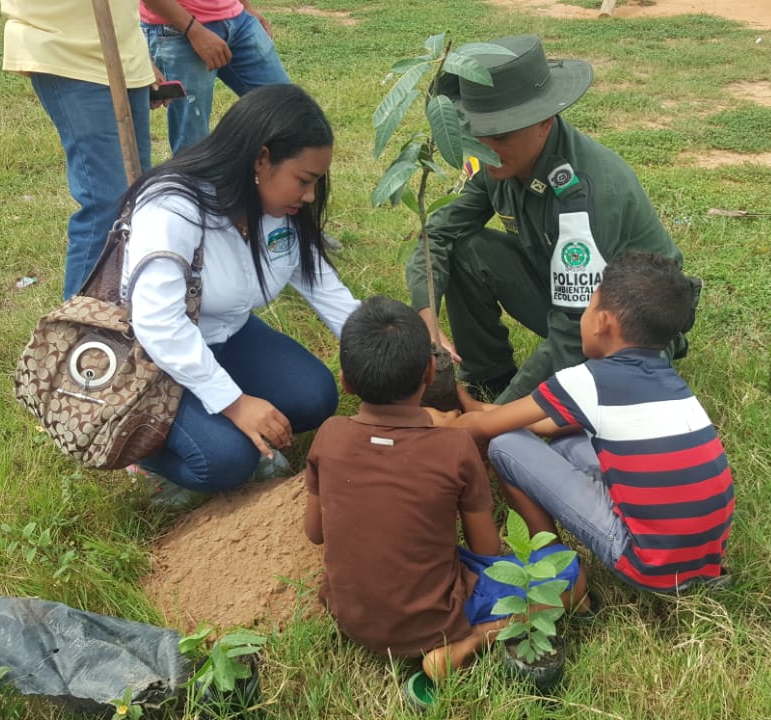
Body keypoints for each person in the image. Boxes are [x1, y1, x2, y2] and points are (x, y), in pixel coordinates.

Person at [303, 295, 584, 690]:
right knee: (569, 573)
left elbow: (315, 533)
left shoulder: (328, 436)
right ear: (431, 372)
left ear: (345, 381)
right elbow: (486, 550)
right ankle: (471, 641)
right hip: (435, 621)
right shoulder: (453, 449)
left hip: (351, 617)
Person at [407, 35, 697, 404]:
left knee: (595, 398)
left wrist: (494, 419)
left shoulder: (584, 192)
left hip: (627, 328)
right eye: (475, 132)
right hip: (568, 296)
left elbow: (576, 329)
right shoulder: (499, 160)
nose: (485, 147)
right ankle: (489, 376)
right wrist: (427, 318)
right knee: (468, 248)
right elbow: (439, 235)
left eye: (501, 134)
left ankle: (499, 401)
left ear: (543, 122)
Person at [119, 84, 358, 502]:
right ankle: (143, 448)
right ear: (261, 159)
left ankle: (218, 428)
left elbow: (323, 286)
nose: (310, 196)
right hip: (154, 356)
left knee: (316, 397)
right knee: (226, 461)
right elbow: (157, 324)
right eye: (303, 180)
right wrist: (234, 403)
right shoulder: (173, 207)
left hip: (228, 337)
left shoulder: (277, 211)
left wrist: (374, 346)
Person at [451, 251, 734, 595]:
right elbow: (542, 424)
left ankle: (558, 572)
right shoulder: (669, 383)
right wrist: (472, 403)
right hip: (701, 561)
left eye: (588, 306)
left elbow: (487, 429)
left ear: (603, 322)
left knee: (505, 445)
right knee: (567, 443)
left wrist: (434, 422)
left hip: (648, 564)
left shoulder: (589, 379)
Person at [2, 0, 190, 299]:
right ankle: (77, 329)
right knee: (107, 203)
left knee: (136, 197)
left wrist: (140, 59)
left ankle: (121, 310)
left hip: (126, 55)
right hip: (67, 52)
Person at [140, 0, 290, 155]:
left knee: (287, 111)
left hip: (237, 18)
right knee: (193, 147)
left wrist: (246, 6)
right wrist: (194, 30)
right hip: (178, 29)